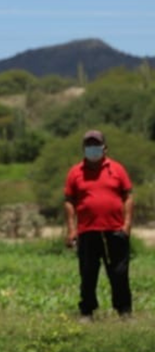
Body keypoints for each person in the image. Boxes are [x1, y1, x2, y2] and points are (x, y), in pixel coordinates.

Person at [63, 130, 133, 320]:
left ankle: (124, 311)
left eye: (96, 145)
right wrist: (71, 229)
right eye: (88, 145)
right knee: (88, 274)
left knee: (119, 273)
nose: (92, 149)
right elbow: (69, 201)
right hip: (87, 231)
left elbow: (128, 196)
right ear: (84, 149)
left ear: (104, 148)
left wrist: (126, 225)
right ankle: (87, 311)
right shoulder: (75, 172)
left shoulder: (117, 169)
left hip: (115, 230)